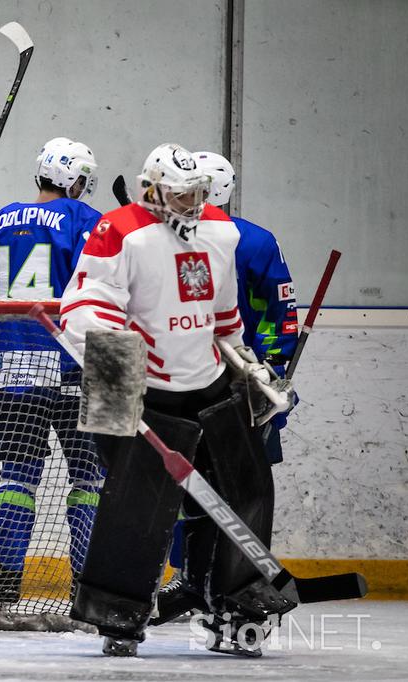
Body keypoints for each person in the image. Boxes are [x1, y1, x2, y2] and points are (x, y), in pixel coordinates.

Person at [60, 143, 292, 656]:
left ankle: (239, 607)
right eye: (179, 194)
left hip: (208, 382)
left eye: (197, 194)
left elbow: (225, 318)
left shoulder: (221, 231)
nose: (190, 204)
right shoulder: (117, 230)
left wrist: (251, 372)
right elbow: (85, 311)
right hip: (140, 385)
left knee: (246, 491)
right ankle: (118, 617)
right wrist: (122, 389)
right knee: (134, 507)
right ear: (152, 189)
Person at [154, 150, 300, 623]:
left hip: (229, 380)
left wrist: (270, 372)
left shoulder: (240, 241)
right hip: (210, 379)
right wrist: (273, 366)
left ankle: (232, 589)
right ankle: (201, 583)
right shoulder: (193, 239)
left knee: (233, 487)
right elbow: (282, 315)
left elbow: (280, 314)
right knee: (210, 486)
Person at [0, 137, 104, 607]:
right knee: (88, 478)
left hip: (10, 363)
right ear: (76, 182)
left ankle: (6, 583)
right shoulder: (84, 219)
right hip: (76, 362)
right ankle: (85, 583)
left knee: (18, 476)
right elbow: (109, 289)